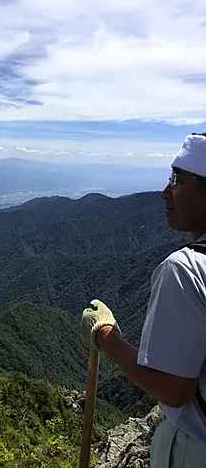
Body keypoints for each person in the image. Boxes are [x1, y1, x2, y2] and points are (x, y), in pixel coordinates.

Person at [82, 133, 206, 467]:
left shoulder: (186, 269)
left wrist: (103, 335)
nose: (166, 191)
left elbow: (174, 390)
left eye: (178, 179)